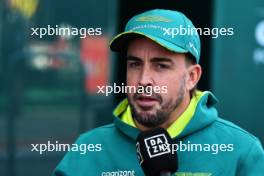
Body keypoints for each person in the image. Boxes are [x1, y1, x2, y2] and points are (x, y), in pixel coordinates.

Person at [53, 9, 264, 176]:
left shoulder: (241, 152)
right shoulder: (88, 150)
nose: (144, 80)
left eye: (161, 65)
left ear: (192, 77)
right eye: (135, 64)